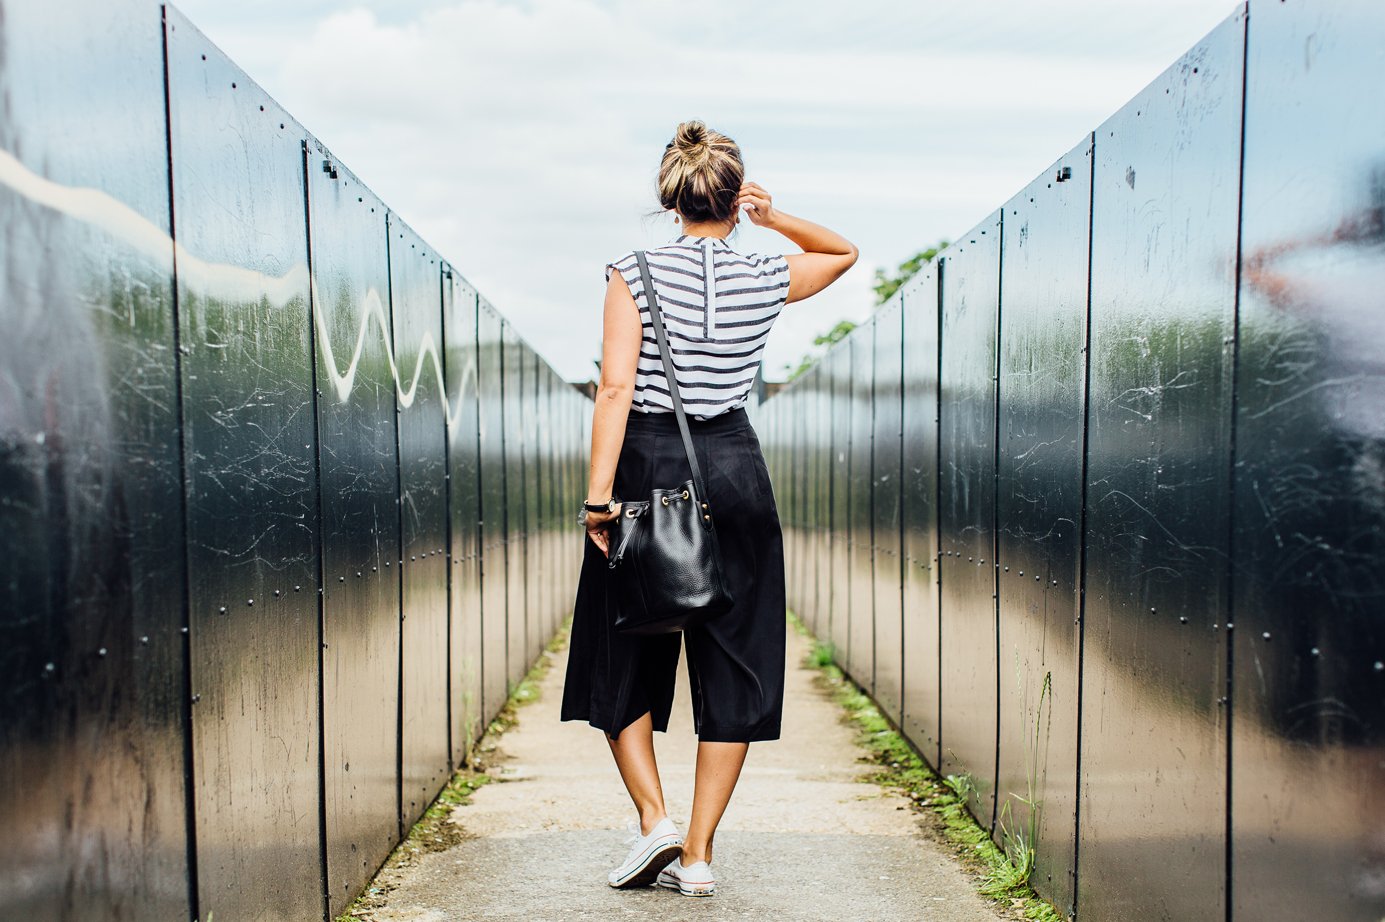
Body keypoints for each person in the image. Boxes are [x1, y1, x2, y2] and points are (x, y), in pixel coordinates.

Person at [559, 119, 857, 897]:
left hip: (647, 467)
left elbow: (616, 389)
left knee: (621, 643)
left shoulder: (633, 270)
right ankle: (695, 855)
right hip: (732, 469)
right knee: (734, 653)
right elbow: (841, 254)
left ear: (672, 197)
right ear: (732, 196)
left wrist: (598, 502)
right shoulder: (763, 275)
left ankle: (653, 817)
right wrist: (776, 217)